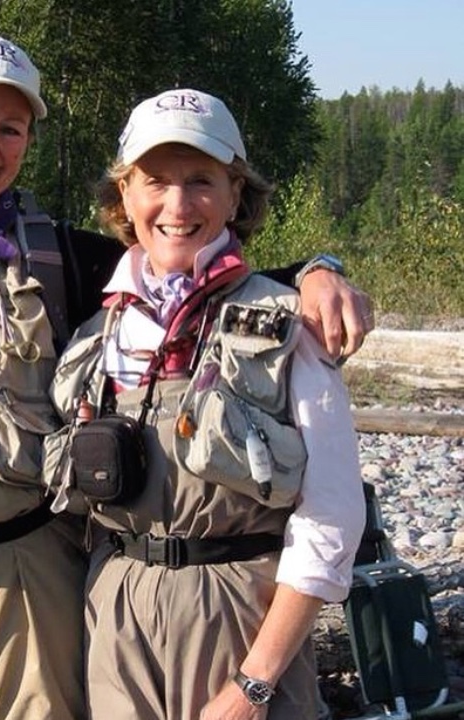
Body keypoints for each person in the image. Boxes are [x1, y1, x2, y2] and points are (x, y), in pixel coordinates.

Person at [0, 33, 370, 720]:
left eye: (10, 128)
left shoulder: (64, 260)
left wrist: (318, 271)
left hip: (34, 580)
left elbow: (200, 266)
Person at [43, 88, 366, 720]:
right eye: (155, 181)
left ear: (236, 193)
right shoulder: (94, 336)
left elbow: (334, 519)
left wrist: (255, 683)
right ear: (124, 196)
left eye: (201, 181)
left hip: (242, 619)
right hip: (115, 620)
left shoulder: (288, 325)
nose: (177, 204)